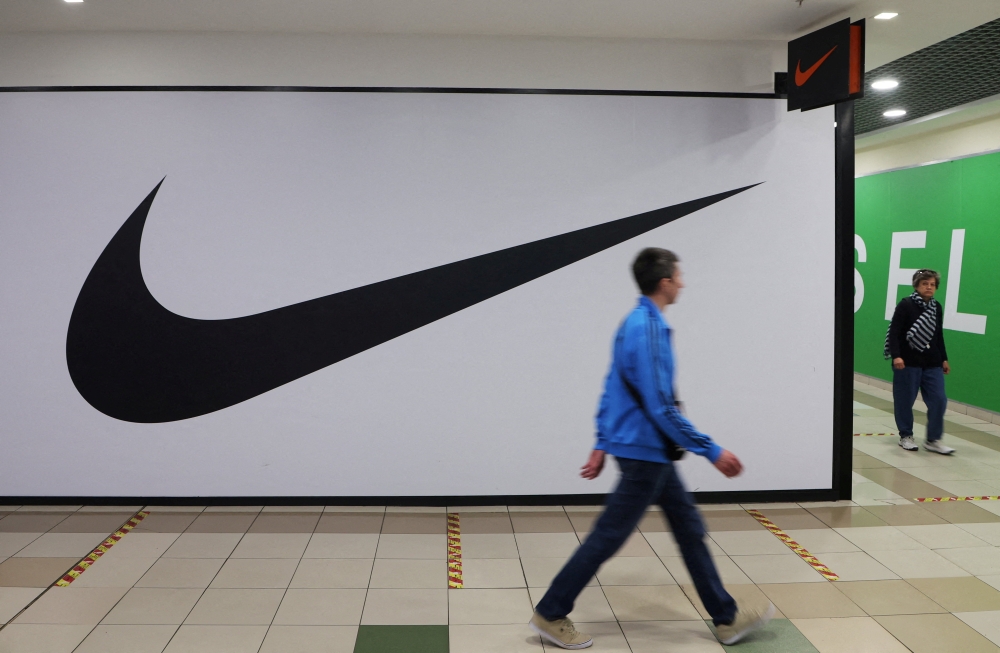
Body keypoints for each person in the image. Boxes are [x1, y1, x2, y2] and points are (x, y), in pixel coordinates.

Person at [529, 248, 774, 650]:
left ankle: (726, 618)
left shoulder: (632, 323)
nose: (683, 283)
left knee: (689, 530)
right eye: (679, 276)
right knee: (608, 536)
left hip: (648, 451)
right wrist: (711, 450)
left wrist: (601, 443)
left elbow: (612, 387)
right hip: (646, 453)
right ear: (664, 283)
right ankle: (551, 611)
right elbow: (661, 406)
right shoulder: (649, 329)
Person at [885, 268, 954, 454]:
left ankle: (933, 440)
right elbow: (894, 333)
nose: (929, 287)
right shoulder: (906, 305)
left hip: (932, 362)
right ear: (917, 286)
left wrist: (944, 358)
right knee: (904, 401)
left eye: (932, 284)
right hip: (907, 362)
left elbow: (938, 335)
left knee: (939, 399)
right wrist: (896, 355)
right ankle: (906, 435)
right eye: (925, 284)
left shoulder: (936, 307)